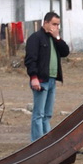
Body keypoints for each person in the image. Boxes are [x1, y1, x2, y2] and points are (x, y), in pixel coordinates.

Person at [24, 12, 70, 142]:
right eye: (54, 24)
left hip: (52, 80)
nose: (56, 27)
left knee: (48, 114)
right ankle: (37, 142)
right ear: (46, 23)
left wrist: (58, 38)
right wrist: (33, 77)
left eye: (58, 25)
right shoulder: (36, 38)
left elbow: (65, 52)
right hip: (41, 80)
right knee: (39, 114)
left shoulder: (54, 39)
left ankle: (47, 141)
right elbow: (30, 59)